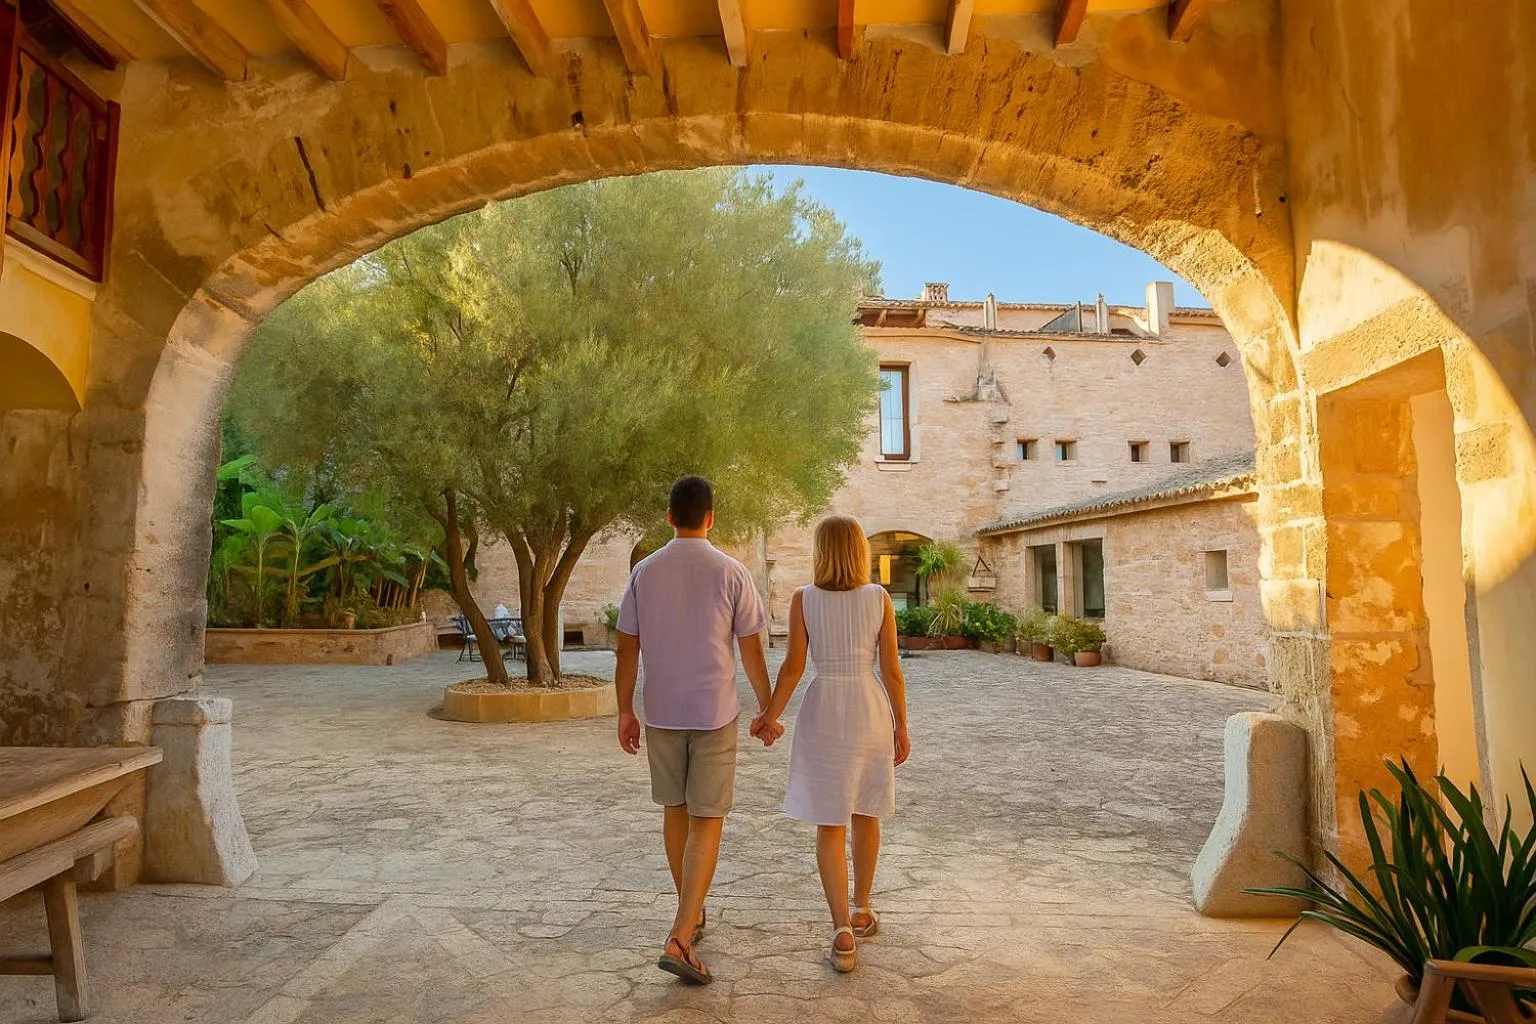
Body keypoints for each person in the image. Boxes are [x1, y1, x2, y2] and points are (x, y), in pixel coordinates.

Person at [614, 476, 778, 985]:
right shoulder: (732, 572)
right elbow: (752, 649)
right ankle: (682, 934)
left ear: (669, 516)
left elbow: (626, 647)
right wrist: (769, 709)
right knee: (708, 818)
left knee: (676, 813)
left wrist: (624, 709)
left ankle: (692, 912)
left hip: (660, 710)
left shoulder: (644, 571)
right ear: (711, 517)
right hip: (714, 713)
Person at [751, 516, 910, 974]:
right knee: (866, 810)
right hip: (868, 707)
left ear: (820, 551)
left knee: (829, 821)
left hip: (824, 709)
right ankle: (861, 906)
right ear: (859, 551)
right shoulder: (879, 598)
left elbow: (793, 669)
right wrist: (902, 726)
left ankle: (841, 929)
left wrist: (770, 716)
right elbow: (893, 671)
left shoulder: (804, 599)